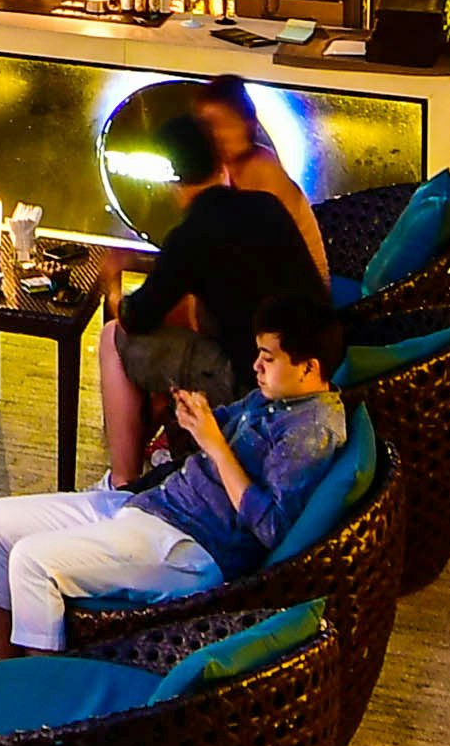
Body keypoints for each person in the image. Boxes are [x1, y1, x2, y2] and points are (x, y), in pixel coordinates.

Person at [0, 308, 352, 660]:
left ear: (308, 368)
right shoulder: (274, 397)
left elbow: (273, 527)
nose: (256, 366)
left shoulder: (310, 430)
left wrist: (216, 447)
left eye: (268, 358)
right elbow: (221, 424)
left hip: (193, 546)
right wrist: (198, 413)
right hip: (156, 504)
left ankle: (37, 702)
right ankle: (5, 666)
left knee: (32, 561)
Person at [84, 86, 336, 492]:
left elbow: (137, 317)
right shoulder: (264, 205)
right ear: (221, 164)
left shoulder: (190, 237)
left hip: (255, 381)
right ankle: (164, 449)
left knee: (114, 338)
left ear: (173, 180)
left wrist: (112, 286)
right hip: (318, 363)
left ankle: (122, 481)